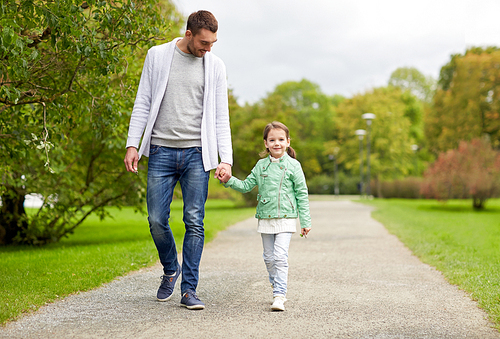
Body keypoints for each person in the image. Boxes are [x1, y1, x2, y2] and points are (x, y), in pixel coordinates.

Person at [123, 10, 232, 310]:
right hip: (160, 150)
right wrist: (133, 144)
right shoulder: (157, 56)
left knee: (194, 222)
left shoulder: (215, 66)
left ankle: (189, 290)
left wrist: (227, 159)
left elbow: (221, 115)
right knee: (157, 220)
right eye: (204, 42)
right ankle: (171, 268)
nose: (208, 49)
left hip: (198, 154)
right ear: (188, 34)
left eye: (212, 43)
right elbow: (142, 101)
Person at [218, 121, 311, 311]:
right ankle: (275, 283)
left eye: (281, 139)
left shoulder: (294, 165)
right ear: (266, 143)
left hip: (286, 217)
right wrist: (229, 180)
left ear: (287, 142)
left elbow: (302, 193)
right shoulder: (261, 166)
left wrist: (305, 221)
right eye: (272, 140)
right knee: (269, 258)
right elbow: (246, 186)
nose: (277, 143)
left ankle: (279, 295)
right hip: (266, 217)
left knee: (280, 256)